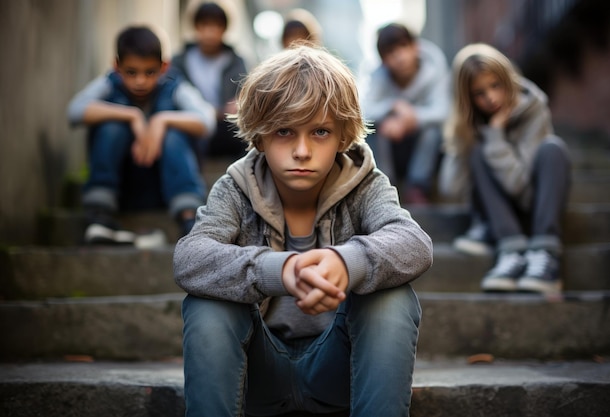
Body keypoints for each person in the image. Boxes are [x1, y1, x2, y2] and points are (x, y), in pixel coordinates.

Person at [173, 45, 433, 416]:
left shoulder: (365, 183)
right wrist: (280, 270)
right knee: (207, 302)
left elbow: (413, 244)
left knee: (392, 297)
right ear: (259, 137)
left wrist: (347, 263)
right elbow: (190, 257)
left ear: (344, 137)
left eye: (320, 132)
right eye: (284, 131)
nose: (301, 150)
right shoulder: (236, 186)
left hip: (338, 372)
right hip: (256, 375)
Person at [439, 43, 571, 294]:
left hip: (534, 205)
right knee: (477, 151)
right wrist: (460, 132)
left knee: (553, 149)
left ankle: (546, 256)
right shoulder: (475, 121)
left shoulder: (534, 108)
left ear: (507, 79)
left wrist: (496, 136)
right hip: (500, 216)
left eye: (495, 85)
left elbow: (518, 184)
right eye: (479, 93)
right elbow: (451, 188)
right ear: (468, 98)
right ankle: (511, 251)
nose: (491, 98)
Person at [67, 25, 214, 244]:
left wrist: (161, 120)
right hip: (121, 189)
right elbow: (74, 111)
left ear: (164, 67)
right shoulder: (109, 83)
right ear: (116, 66)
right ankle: (98, 215)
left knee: (174, 133)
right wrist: (132, 116)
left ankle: (189, 219)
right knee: (111, 126)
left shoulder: (174, 86)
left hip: (166, 189)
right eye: (131, 72)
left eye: (150, 72)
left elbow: (207, 120)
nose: (140, 81)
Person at [360, 23, 450, 205]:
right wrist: (393, 107)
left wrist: (411, 118)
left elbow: (443, 111)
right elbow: (364, 112)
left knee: (432, 130)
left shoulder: (434, 68)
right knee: (373, 129)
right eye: (390, 53)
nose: (399, 57)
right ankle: (384, 189)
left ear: (415, 47)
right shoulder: (379, 76)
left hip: (426, 147)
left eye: (403, 47)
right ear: (384, 61)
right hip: (393, 146)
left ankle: (417, 188)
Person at [171, 1, 248, 160]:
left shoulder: (236, 61)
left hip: (225, 126)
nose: (210, 32)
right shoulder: (180, 61)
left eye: (217, 26)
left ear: (224, 29)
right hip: (192, 123)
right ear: (196, 27)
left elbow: (243, 93)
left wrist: (238, 103)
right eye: (205, 25)